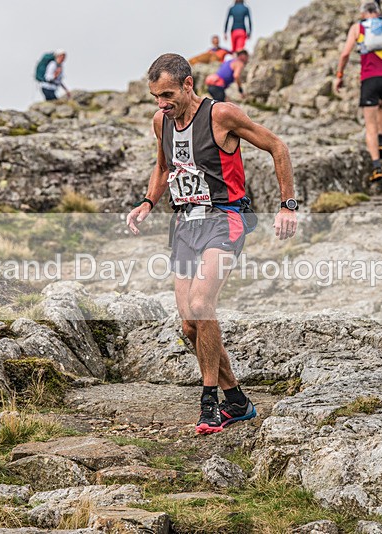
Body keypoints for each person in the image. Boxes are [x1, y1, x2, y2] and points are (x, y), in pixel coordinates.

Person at [126, 53, 298, 435]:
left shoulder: (221, 115)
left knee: (203, 304)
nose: (161, 103)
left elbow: (278, 147)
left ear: (189, 84)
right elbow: (164, 167)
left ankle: (210, 404)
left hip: (225, 218)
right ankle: (236, 399)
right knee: (190, 325)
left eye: (168, 94)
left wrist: (287, 206)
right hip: (185, 224)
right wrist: (147, 202)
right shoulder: (162, 122)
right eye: (156, 96)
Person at [334, 2, 382, 182]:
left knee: (370, 125)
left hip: (370, 79)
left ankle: (377, 167)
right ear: (378, 12)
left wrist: (339, 75)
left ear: (363, 14)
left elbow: (345, 54)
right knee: (380, 105)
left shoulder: (357, 27)